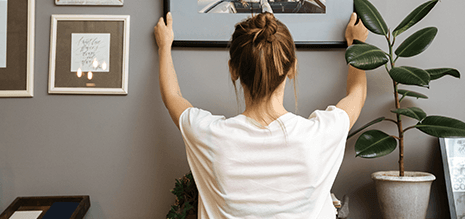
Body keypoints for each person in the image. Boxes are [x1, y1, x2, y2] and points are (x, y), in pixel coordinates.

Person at [154, 12, 368, 219]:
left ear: (233, 70)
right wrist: (356, 43)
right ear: (292, 68)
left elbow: (172, 97)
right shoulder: (320, 135)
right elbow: (357, 95)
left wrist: (165, 47)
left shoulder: (208, 135)